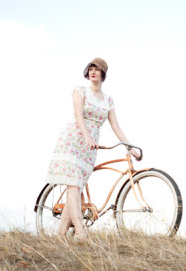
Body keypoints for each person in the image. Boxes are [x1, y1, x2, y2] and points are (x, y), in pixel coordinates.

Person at [45, 57, 140, 239]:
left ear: (103, 73)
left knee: (77, 187)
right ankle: (81, 232)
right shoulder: (80, 91)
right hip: (74, 139)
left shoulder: (108, 100)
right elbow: (79, 116)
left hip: (90, 146)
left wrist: (130, 147)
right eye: (90, 69)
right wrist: (87, 137)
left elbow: (115, 126)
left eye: (97, 69)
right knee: (73, 185)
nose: (93, 72)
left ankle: (60, 235)